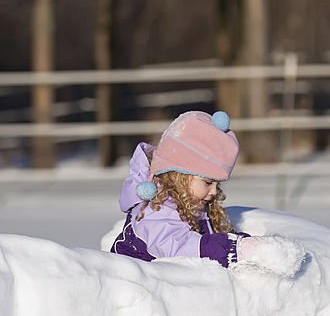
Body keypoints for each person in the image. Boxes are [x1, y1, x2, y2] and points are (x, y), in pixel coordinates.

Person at [111, 110, 304, 275]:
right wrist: (238, 250)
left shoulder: (191, 203)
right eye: (208, 182)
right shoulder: (155, 209)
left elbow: (210, 238)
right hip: (136, 293)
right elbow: (181, 248)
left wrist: (248, 243)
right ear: (180, 174)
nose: (214, 192)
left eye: (217, 184)